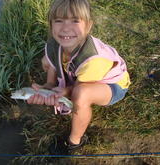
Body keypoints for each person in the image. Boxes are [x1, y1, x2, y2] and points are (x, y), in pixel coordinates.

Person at [27, 0, 130, 155]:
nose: (66, 28)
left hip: (113, 84)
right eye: (59, 21)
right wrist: (48, 85)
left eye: (75, 21)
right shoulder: (55, 43)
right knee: (45, 60)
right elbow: (53, 62)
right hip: (85, 76)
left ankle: (75, 142)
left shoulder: (93, 59)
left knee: (81, 95)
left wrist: (64, 92)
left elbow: (77, 89)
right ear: (51, 24)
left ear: (88, 26)